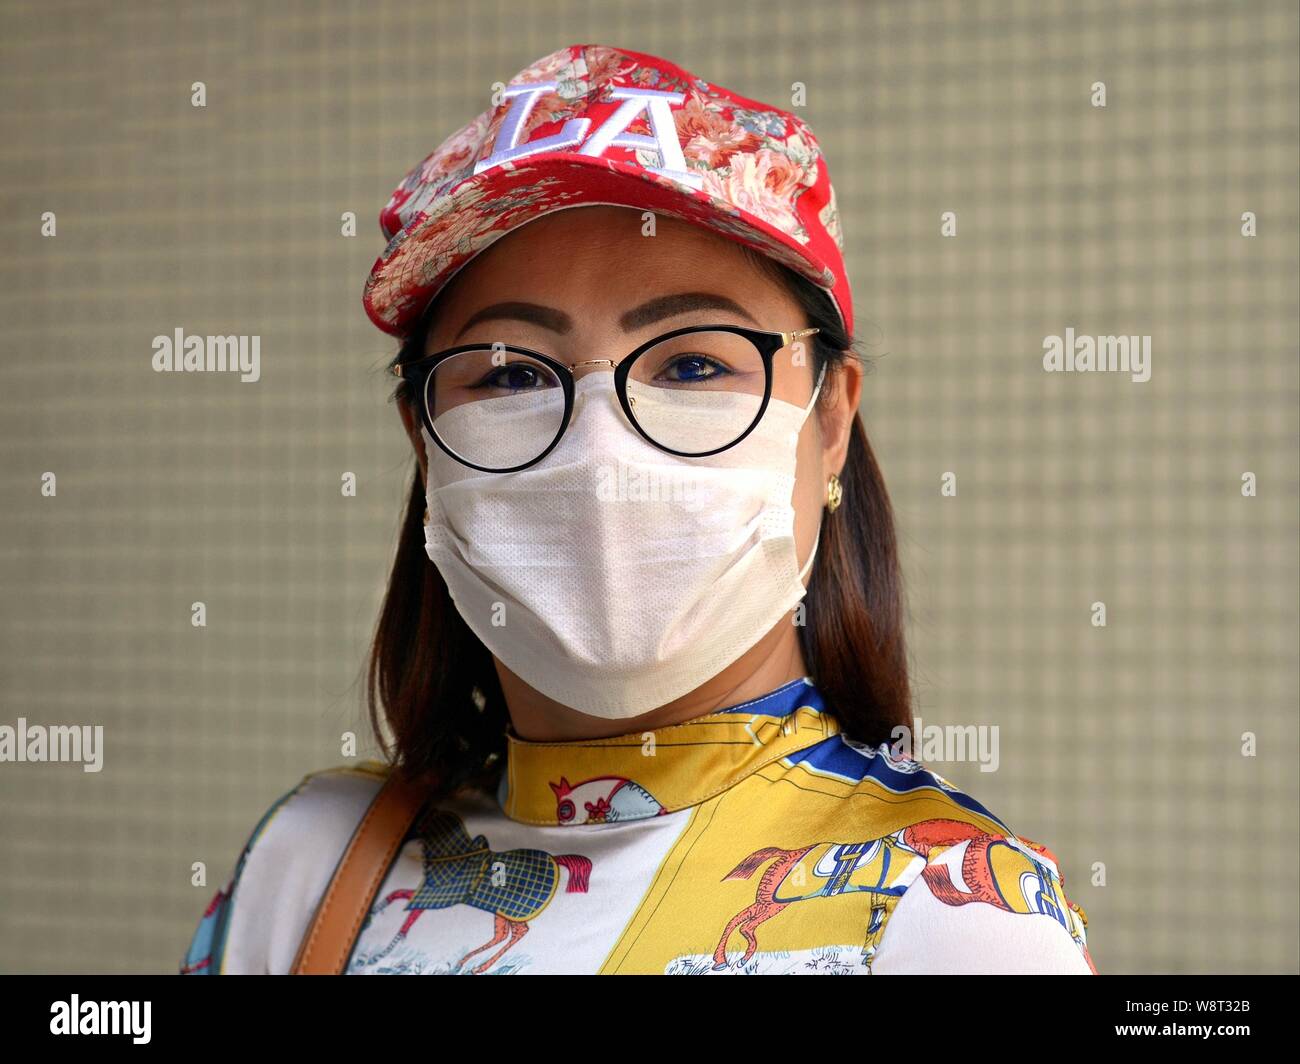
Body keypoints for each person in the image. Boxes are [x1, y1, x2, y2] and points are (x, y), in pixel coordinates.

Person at [181, 42, 1095, 975]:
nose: (600, 455)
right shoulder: (309, 867)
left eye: (694, 363)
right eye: (509, 375)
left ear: (831, 420)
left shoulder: (949, 915)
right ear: (422, 439)